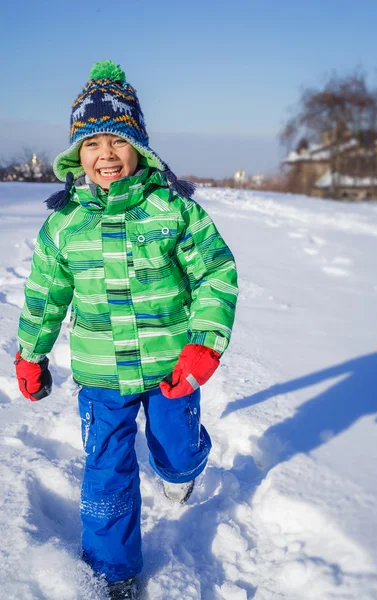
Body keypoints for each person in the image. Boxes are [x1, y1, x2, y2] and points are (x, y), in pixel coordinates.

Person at [15, 60, 238, 599]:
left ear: (140, 147)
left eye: (118, 140)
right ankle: (114, 573)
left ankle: (182, 472)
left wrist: (204, 343)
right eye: (92, 144)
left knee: (176, 451)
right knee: (107, 473)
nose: (106, 155)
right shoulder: (65, 224)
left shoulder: (172, 209)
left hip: (170, 368)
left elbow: (215, 272)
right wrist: (31, 354)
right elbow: (46, 295)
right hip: (101, 373)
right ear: (77, 155)